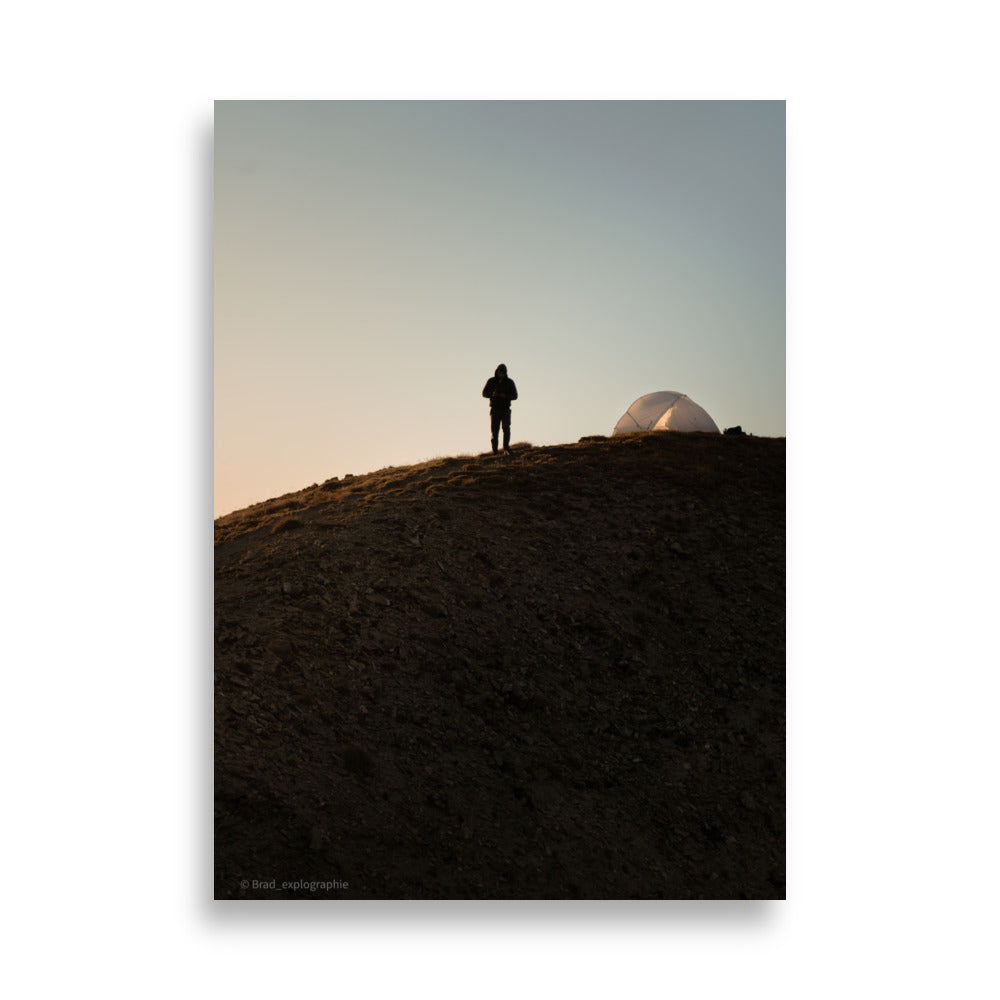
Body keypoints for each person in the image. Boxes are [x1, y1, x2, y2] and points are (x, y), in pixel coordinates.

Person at [481, 363, 518, 454]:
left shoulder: (510, 382)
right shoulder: (491, 381)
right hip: (495, 409)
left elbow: (515, 396)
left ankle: (506, 448)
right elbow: (484, 393)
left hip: (505, 409)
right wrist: (493, 394)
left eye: (503, 372)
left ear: (505, 373)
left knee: (506, 428)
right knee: (494, 431)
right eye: (499, 372)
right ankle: (495, 451)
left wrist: (505, 396)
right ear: (497, 372)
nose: (501, 374)